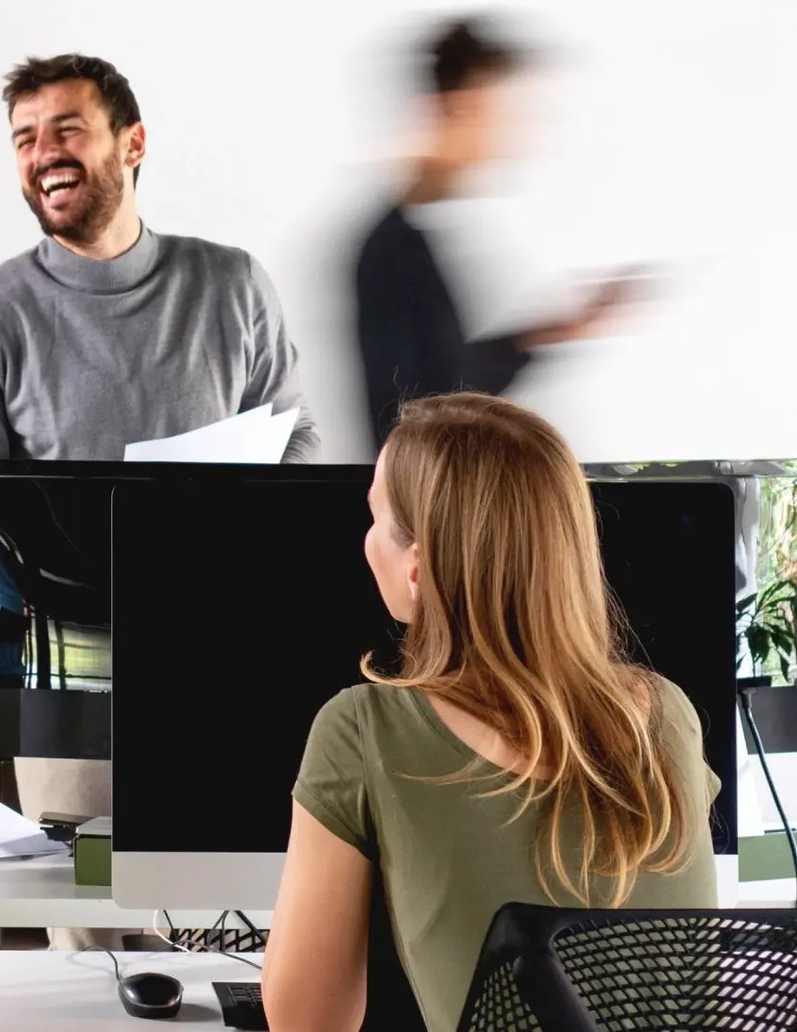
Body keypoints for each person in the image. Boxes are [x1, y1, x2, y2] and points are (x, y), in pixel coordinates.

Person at [0, 53, 320, 949]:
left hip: (230, 664)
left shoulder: (234, 286)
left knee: (250, 930)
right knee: (94, 944)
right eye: (25, 138)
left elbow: (299, 439)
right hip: (74, 681)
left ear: (132, 142)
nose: (44, 153)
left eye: (67, 128)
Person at [262, 393, 718, 1032]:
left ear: (418, 567)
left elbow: (307, 1021)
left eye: (376, 518)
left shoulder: (361, 731)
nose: (366, 541)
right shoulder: (670, 715)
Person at [352, 16, 634, 452]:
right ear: (462, 105)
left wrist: (552, 331)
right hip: (427, 508)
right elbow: (426, 404)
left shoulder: (415, 236)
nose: (509, 133)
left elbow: (442, 381)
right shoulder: (395, 248)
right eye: (501, 111)